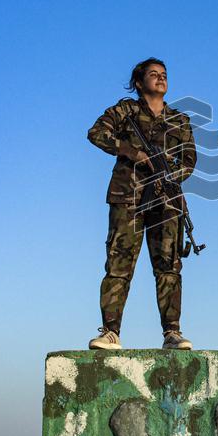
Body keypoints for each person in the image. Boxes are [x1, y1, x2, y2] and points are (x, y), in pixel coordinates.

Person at [86, 58, 196, 350]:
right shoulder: (125, 111)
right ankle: (111, 331)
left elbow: (190, 160)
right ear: (138, 82)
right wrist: (131, 153)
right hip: (128, 197)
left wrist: (170, 177)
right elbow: (96, 133)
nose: (160, 78)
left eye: (164, 75)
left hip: (166, 199)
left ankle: (172, 332)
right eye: (153, 74)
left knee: (168, 267)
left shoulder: (179, 120)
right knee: (119, 264)